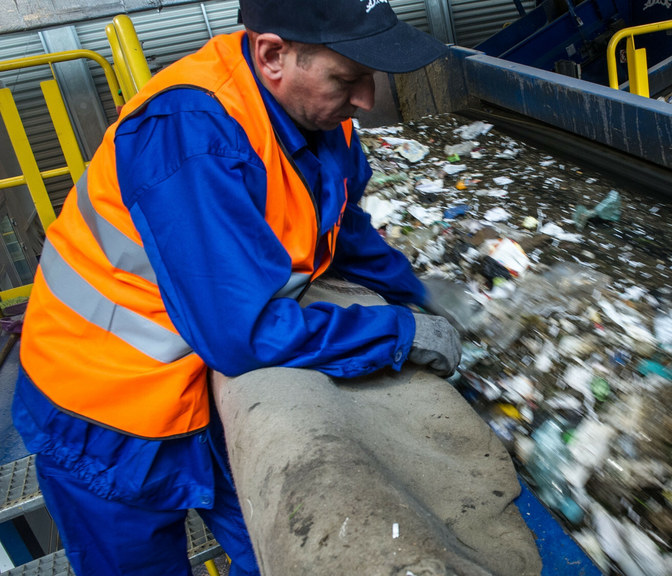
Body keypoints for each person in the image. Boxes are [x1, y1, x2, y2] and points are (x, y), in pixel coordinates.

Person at [11, 0, 461, 573]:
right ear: (273, 55)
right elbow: (242, 333)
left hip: (200, 385)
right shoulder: (192, 136)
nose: (366, 101)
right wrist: (398, 331)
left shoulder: (317, 118)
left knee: (281, 552)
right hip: (105, 406)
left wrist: (418, 292)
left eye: (369, 77)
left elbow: (342, 226)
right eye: (348, 78)